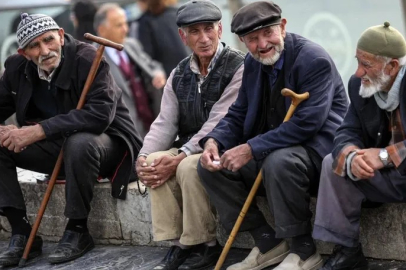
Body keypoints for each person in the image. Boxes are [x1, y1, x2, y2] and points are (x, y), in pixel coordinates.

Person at [197, 1, 349, 270]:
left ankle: (303, 250)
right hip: (273, 149)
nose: (262, 44)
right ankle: (267, 242)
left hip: (317, 152)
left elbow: (307, 124)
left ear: (283, 26)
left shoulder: (313, 60)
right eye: (253, 39)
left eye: (268, 33)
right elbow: (238, 113)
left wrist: (251, 148)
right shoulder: (252, 64)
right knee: (211, 167)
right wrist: (214, 141)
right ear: (242, 41)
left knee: (278, 161)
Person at [0, 13, 142, 266]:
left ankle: (78, 229)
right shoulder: (15, 68)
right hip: (57, 146)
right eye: (35, 46)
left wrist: (38, 130)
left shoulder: (87, 58)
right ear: (23, 53)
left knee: (79, 142)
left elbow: (100, 115)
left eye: (49, 40)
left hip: (105, 145)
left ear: (62, 35)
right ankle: (22, 233)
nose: (45, 50)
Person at [135, 0, 245, 269]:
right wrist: (144, 155)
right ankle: (179, 243)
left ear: (220, 29)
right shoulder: (179, 73)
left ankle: (205, 243)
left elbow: (220, 121)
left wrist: (183, 153)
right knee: (154, 163)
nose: (204, 38)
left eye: (209, 29)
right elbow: (164, 123)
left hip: (225, 146)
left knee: (185, 166)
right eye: (194, 31)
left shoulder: (238, 66)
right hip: (188, 145)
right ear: (183, 37)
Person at [313, 22, 406, 270]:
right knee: (333, 162)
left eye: (366, 65)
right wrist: (352, 155)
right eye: (357, 62)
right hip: (387, 177)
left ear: (393, 65)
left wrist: (386, 155)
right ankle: (347, 250)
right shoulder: (359, 86)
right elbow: (347, 130)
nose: (357, 72)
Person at [95, 3, 167, 138]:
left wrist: (158, 74)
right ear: (102, 30)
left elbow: (153, 66)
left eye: (125, 24)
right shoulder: (93, 57)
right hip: (125, 131)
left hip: (152, 124)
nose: (125, 29)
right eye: (119, 25)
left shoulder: (131, 45)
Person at [135, 0, 190, 77]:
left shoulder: (144, 22)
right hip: (191, 67)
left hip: (170, 76)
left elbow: (147, 55)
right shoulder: (177, 12)